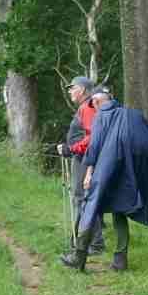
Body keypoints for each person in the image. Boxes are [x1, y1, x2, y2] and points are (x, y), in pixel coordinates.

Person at [62, 84, 148, 272]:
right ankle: (120, 260)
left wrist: (89, 173)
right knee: (119, 212)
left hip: (105, 170)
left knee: (89, 207)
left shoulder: (102, 116)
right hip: (127, 172)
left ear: (97, 102)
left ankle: (79, 257)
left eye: (94, 104)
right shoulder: (132, 115)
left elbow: (94, 146)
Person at [55, 75, 99, 253]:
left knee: (81, 198)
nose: (70, 91)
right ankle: (84, 241)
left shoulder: (87, 107)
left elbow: (92, 136)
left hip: (84, 159)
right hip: (82, 157)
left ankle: (92, 243)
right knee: (82, 198)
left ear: (82, 90)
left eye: (72, 88)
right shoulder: (86, 106)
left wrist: (71, 148)